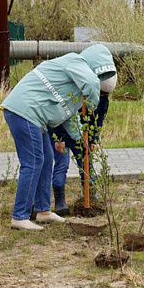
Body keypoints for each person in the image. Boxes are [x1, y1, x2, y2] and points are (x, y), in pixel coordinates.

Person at [1, 44, 117, 231]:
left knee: (47, 160)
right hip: (25, 112)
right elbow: (92, 84)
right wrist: (92, 105)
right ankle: (20, 216)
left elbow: (69, 119)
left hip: (36, 118)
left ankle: (42, 211)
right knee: (33, 162)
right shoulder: (76, 62)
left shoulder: (73, 87)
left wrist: (81, 141)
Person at [48, 75, 116, 216]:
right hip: (63, 131)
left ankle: (91, 198)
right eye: (101, 92)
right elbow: (60, 114)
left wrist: (93, 140)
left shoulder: (103, 99)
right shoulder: (76, 93)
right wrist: (59, 138)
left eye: (105, 94)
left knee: (86, 163)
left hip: (82, 136)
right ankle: (60, 203)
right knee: (62, 164)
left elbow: (98, 120)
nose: (102, 96)